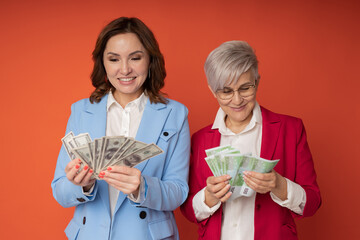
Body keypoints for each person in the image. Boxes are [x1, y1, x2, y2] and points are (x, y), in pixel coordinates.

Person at [51, 17, 190, 240]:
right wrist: (82, 186)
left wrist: (142, 187)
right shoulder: (81, 112)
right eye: (114, 59)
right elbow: (60, 191)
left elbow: (178, 192)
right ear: (103, 63)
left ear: (150, 60)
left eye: (135, 58)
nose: (125, 69)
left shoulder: (175, 114)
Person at [180, 41, 321, 240]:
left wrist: (279, 185)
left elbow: (313, 203)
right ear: (213, 90)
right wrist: (209, 197)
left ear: (257, 81)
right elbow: (188, 211)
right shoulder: (200, 139)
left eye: (245, 88)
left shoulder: (291, 129)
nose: (237, 100)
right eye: (226, 91)